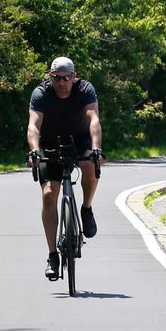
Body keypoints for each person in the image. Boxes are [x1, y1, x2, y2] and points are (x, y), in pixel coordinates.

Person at [26, 56, 103, 281]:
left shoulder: (85, 89)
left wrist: (96, 148)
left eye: (66, 78)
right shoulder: (41, 93)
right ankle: (52, 255)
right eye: (57, 78)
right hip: (50, 145)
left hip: (80, 141)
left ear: (74, 77)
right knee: (49, 196)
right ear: (50, 77)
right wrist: (35, 150)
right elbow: (33, 125)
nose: (61, 83)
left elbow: (94, 119)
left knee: (90, 165)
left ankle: (86, 208)